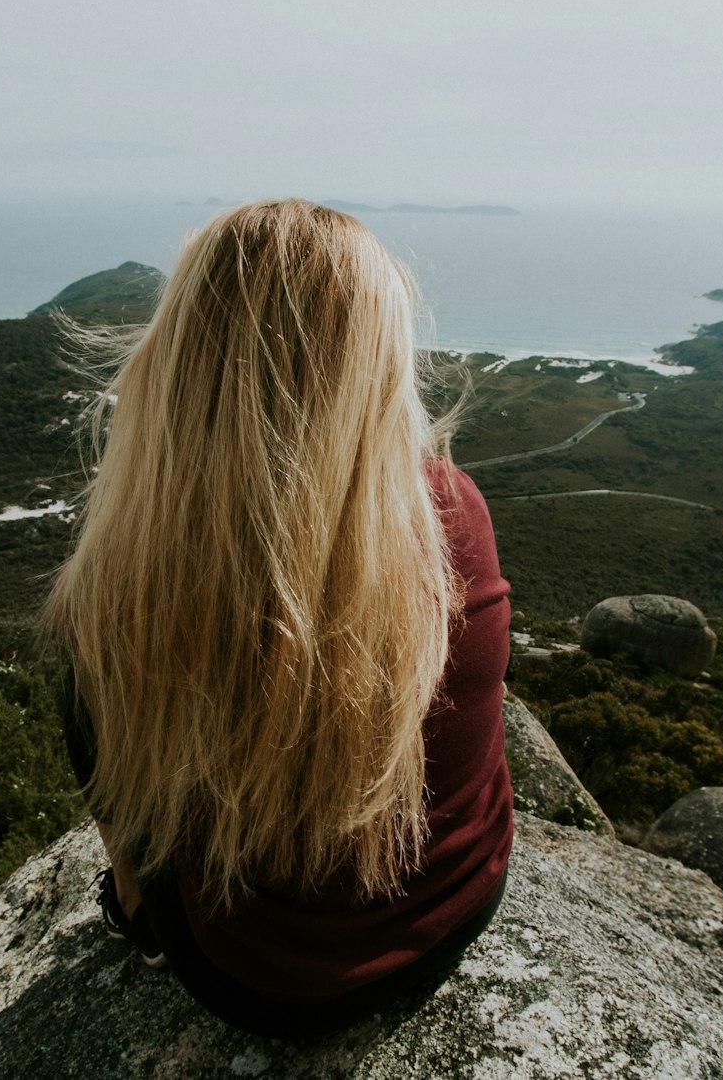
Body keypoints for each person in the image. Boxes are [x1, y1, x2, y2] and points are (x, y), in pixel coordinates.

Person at [42, 198, 512, 1038]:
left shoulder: (129, 581)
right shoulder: (453, 512)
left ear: (181, 356)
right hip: (458, 911)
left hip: (249, 977)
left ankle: (137, 909)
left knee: (85, 656)